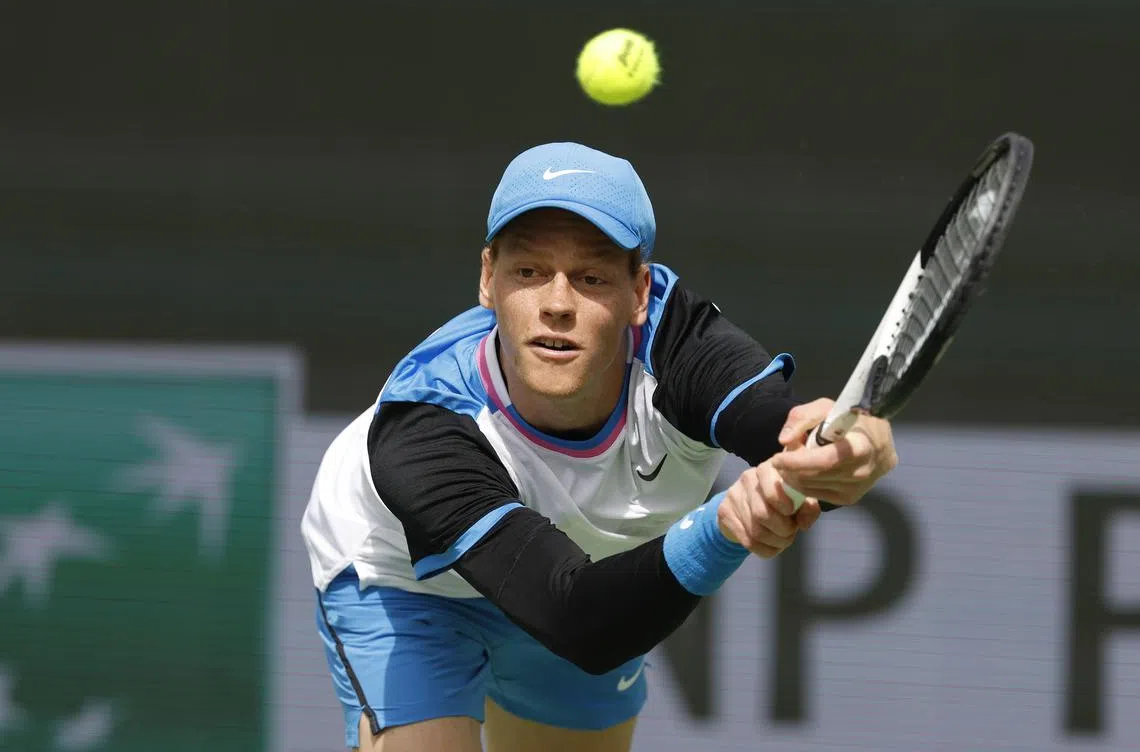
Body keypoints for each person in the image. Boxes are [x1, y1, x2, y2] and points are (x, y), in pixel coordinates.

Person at [301, 141, 899, 752]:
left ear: (639, 291)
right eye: (528, 272)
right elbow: (577, 621)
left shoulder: (683, 348)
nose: (557, 304)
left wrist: (842, 454)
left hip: (589, 576)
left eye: (590, 278)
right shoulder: (425, 425)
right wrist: (721, 529)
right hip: (409, 584)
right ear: (488, 280)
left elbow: (785, 434)